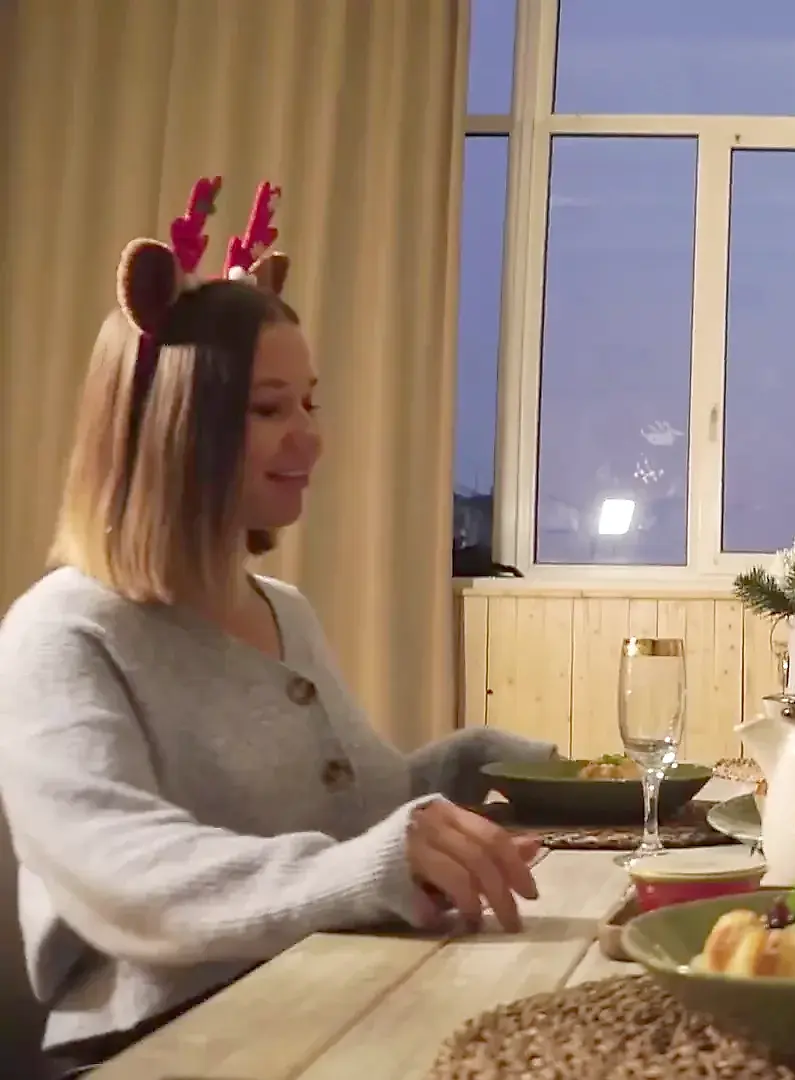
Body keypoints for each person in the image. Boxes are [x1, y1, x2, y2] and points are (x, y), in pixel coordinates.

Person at [0, 178, 558, 1073]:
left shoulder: (281, 608)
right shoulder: (61, 634)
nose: (310, 437)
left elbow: (346, 829)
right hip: (157, 1041)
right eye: (268, 410)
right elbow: (124, 878)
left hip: (328, 994)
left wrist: (477, 765)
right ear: (167, 426)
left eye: (309, 402)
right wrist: (385, 859)